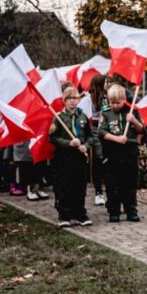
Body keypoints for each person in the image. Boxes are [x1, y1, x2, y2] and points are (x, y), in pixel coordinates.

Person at [99, 84, 144, 223]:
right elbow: (101, 132)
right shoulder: (106, 112)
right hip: (113, 152)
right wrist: (117, 138)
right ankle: (114, 211)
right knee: (113, 183)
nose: (115, 105)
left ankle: (131, 210)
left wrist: (134, 121)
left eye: (118, 102)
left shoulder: (133, 110)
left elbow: (142, 129)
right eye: (112, 102)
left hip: (130, 152)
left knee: (130, 183)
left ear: (124, 99)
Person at [49, 86, 93, 227]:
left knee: (79, 186)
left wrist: (86, 145)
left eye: (74, 98)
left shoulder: (83, 117)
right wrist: (69, 143)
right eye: (69, 99)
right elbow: (52, 137)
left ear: (78, 99)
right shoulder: (59, 117)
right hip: (64, 158)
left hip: (79, 158)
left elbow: (90, 136)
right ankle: (64, 215)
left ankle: (80, 214)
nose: (72, 102)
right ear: (64, 101)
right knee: (65, 186)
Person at [87, 73, 109, 206]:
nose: (108, 85)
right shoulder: (89, 99)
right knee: (98, 160)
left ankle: (109, 189)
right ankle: (98, 192)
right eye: (106, 82)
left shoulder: (108, 98)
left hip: (107, 131)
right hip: (95, 132)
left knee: (107, 160)